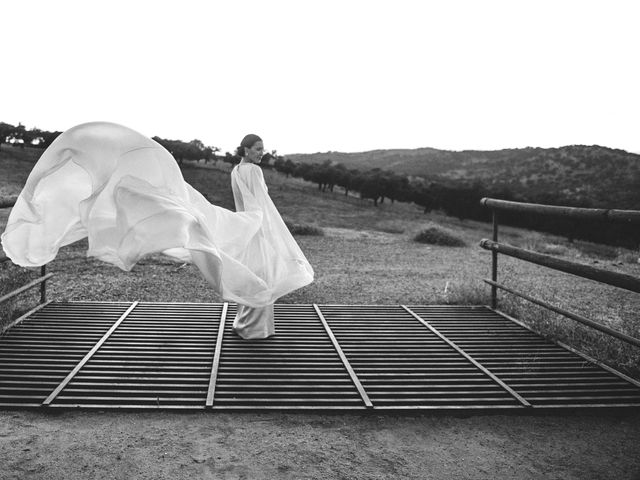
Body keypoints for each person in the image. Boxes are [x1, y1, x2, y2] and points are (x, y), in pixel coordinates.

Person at [1, 122, 314, 339]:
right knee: (260, 273)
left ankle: (249, 323)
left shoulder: (236, 170)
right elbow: (261, 203)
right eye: (257, 148)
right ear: (245, 150)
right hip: (254, 222)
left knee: (251, 270)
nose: (262, 152)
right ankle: (255, 328)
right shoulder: (254, 171)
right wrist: (268, 226)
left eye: (263, 149)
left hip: (246, 218)